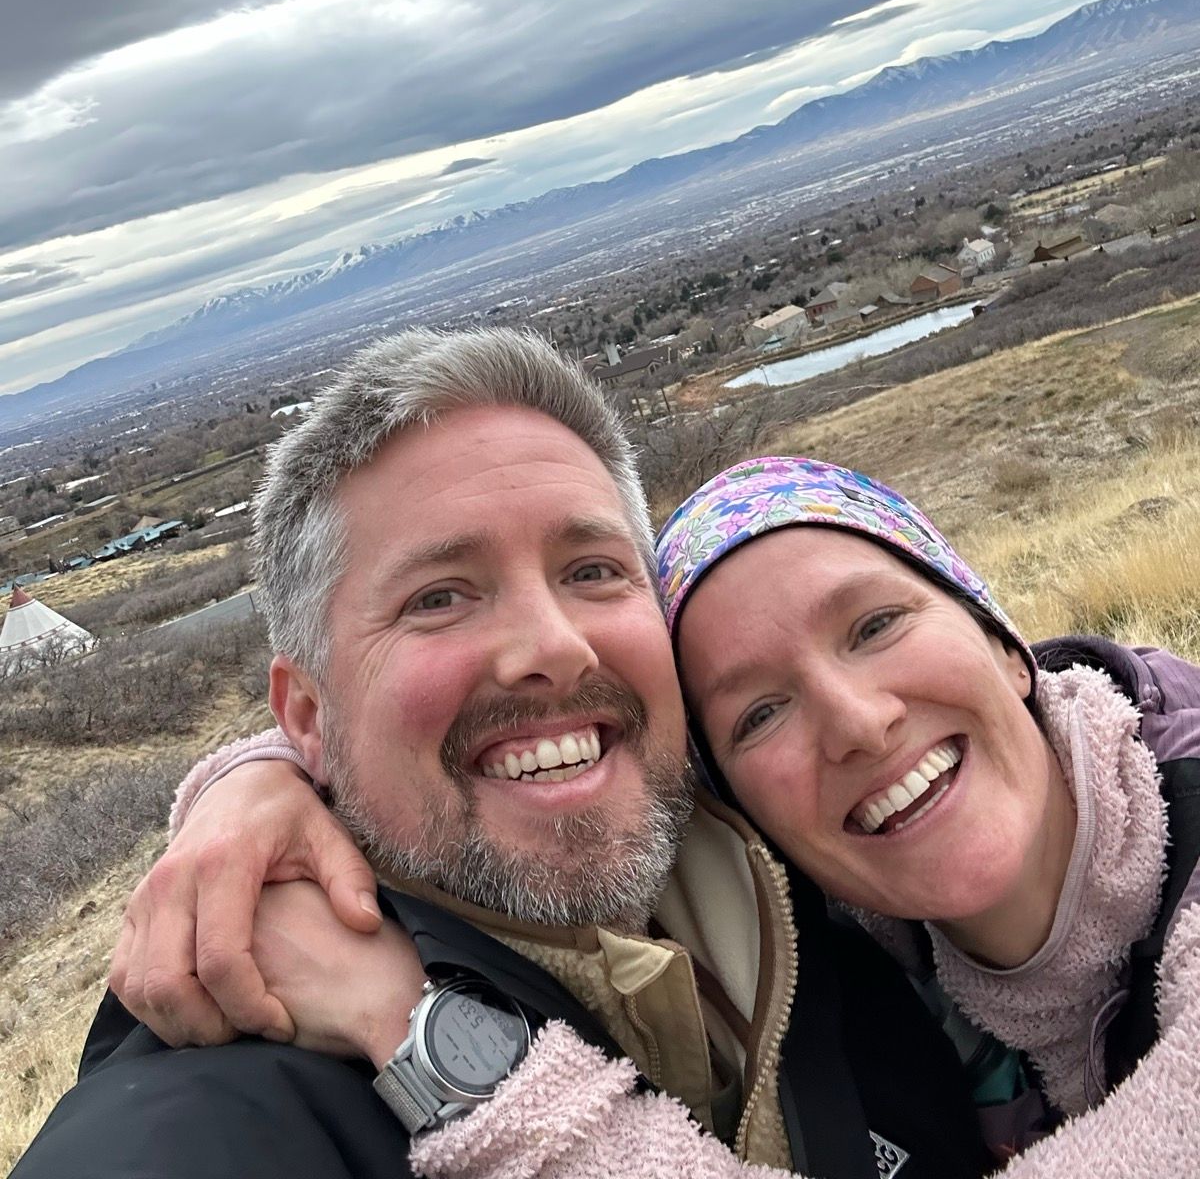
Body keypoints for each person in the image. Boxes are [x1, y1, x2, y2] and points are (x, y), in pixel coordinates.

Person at [12, 334, 990, 1179]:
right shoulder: (219, 1113)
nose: (554, 646)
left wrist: (250, 780)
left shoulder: (831, 854)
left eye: (593, 570)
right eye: (440, 596)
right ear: (309, 716)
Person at [107, 449, 1200, 1179]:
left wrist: (427, 1036)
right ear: (728, 788)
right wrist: (256, 788)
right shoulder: (822, 913)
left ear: (1003, 640)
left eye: (874, 626)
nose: (858, 724)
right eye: (759, 712)